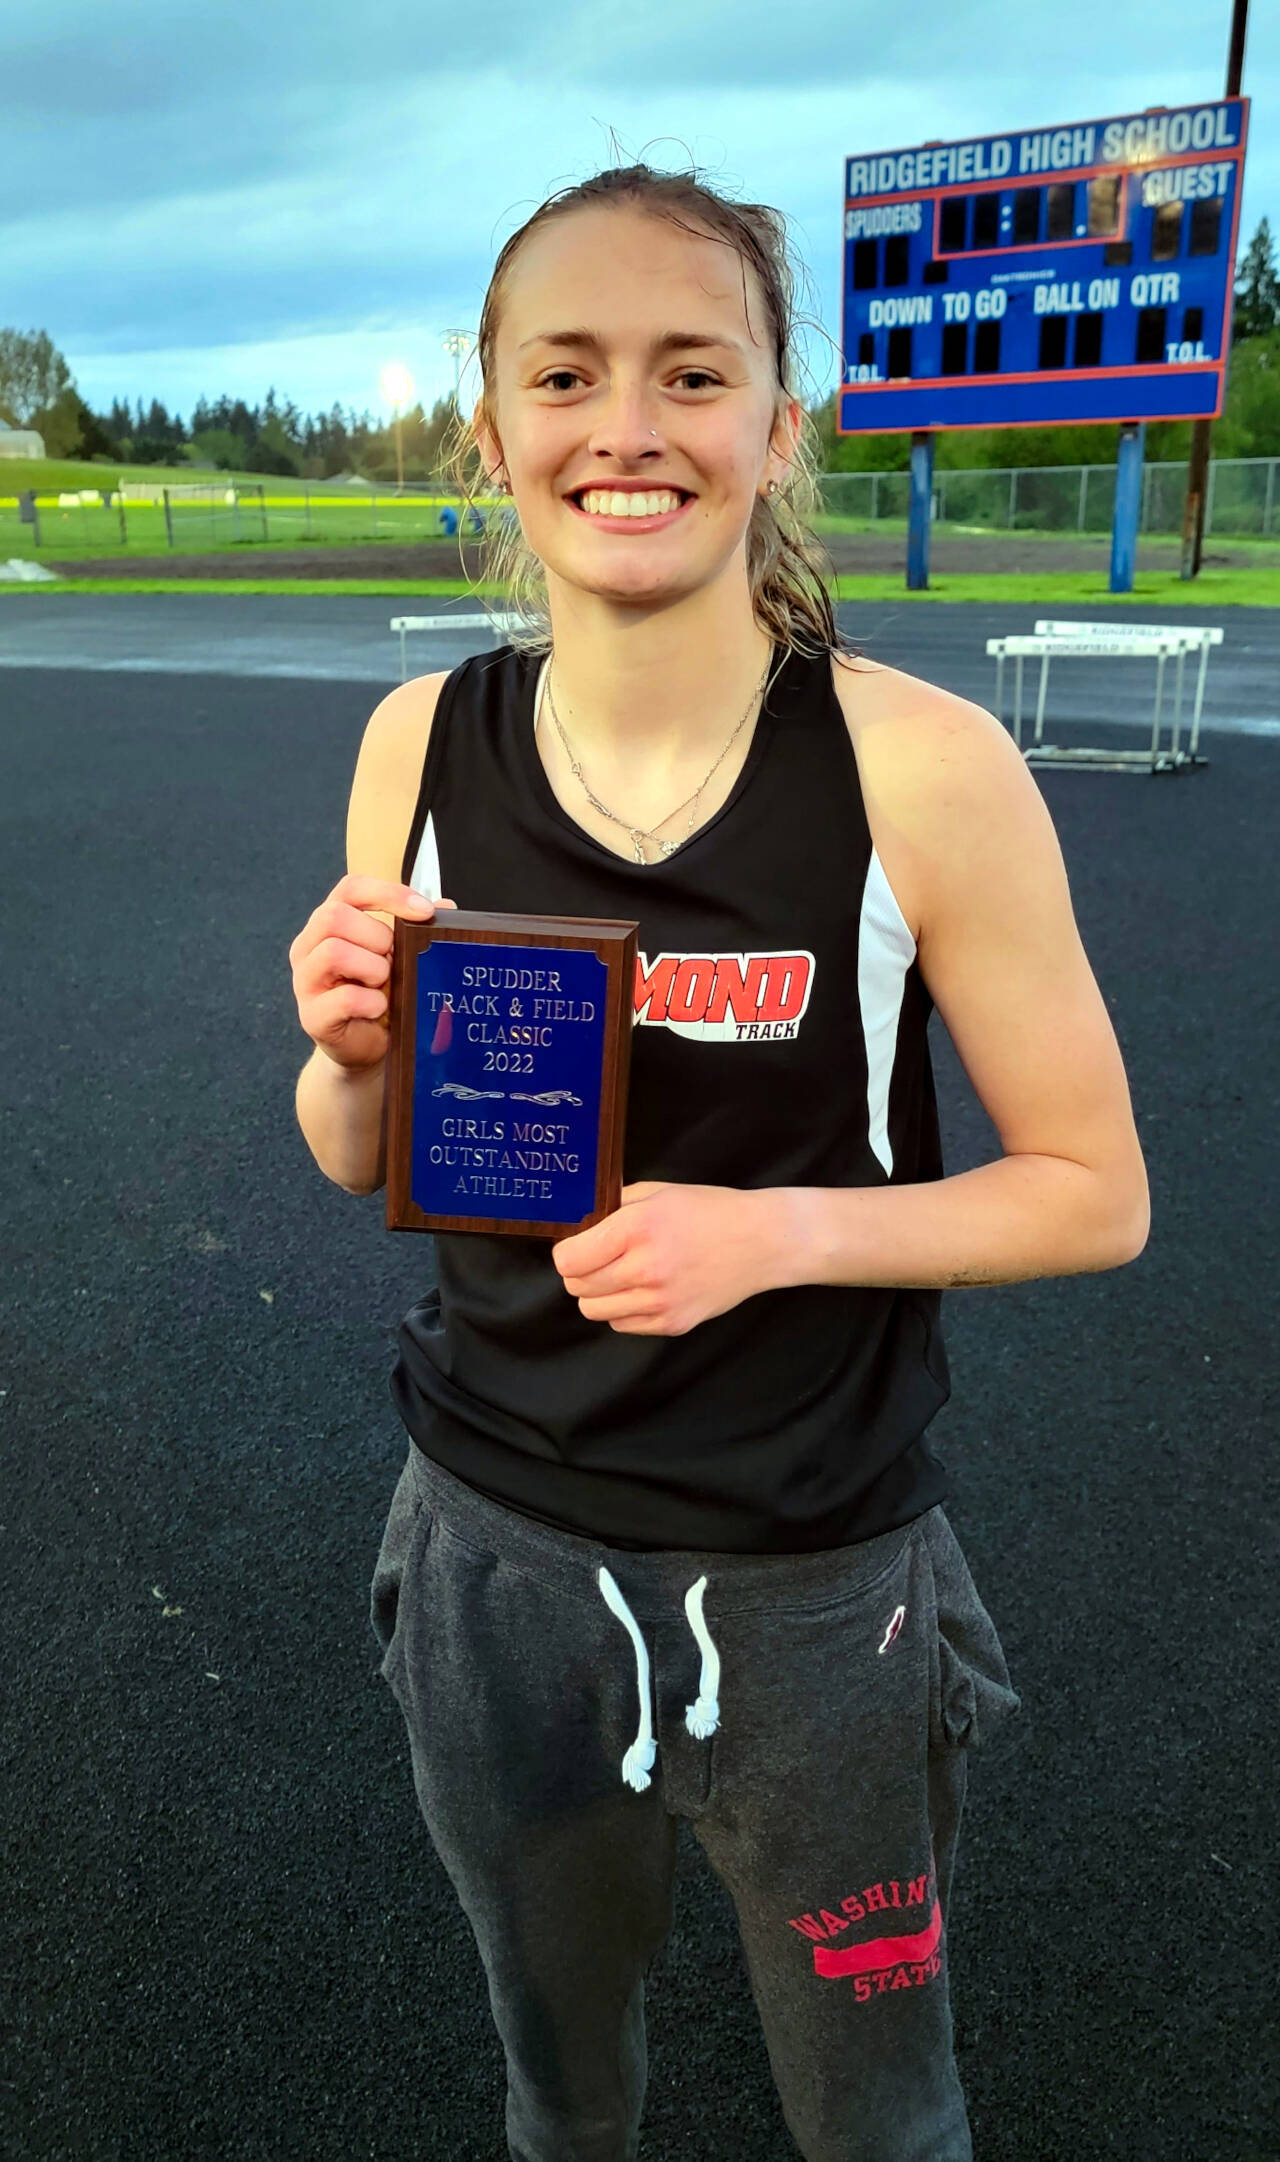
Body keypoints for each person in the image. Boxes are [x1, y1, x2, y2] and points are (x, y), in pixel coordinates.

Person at [289, 162, 1150, 2162]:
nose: (628, 427)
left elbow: (1094, 1188)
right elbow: (356, 1153)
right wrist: (341, 1050)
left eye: (693, 373)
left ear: (777, 430)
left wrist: (770, 1233)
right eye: (567, 373)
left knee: (880, 2118)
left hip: (807, 1580)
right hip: (487, 1551)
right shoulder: (418, 741)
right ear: (489, 429)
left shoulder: (916, 766)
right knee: (560, 2092)